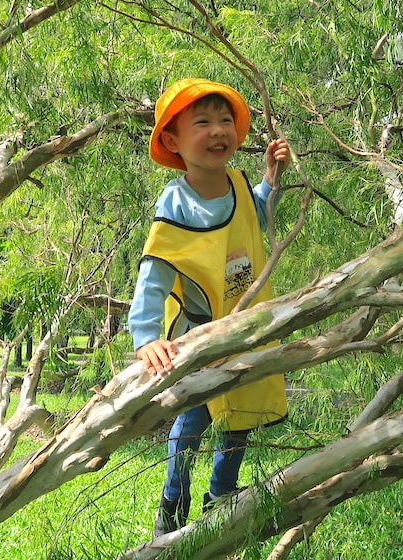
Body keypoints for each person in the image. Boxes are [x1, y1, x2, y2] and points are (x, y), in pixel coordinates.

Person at [128, 78, 290, 537]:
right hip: (198, 336)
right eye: (203, 122)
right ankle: (173, 498)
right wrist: (146, 337)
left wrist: (269, 182)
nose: (218, 130)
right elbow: (155, 272)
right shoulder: (174, 201)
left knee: (240, 412)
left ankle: (221, 494)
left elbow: (254, 216)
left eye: (225, 120)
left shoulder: (238, 182)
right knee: (193, 420)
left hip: (244, 328)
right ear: (173, 140)